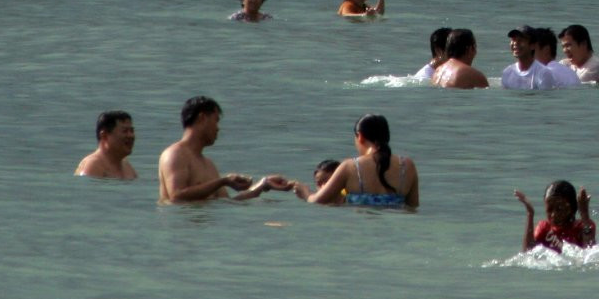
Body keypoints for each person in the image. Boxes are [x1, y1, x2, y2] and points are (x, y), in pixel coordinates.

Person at [156, 96, 291, 204]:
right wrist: (222, 181)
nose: (218, 128)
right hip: (180, 233)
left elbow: (228, 203)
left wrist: (263, 184)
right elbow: (176, 196)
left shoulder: (208, 164)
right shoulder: (174, 154)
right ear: (202, 118)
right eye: (216, 121)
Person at [309, 114, 419, 209]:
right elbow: (413, 206)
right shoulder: (408, 165)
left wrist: (302, 190)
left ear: (360, 137)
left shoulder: (350, 166)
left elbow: (317, 201)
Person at [515, 180, 596, 253]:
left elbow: (589, 250)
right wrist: (530, 214)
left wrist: (584, 214)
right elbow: (528, 253)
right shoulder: (544, 229)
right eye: (549, 209)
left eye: (559, 209)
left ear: (572, 208)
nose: (553, 214)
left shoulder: (583, 227)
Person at [75, 109, 137, 180]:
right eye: (125, 131)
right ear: (104, 135)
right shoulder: (94, 165)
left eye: (131, 131)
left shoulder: (126, 166)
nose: (130, 136)